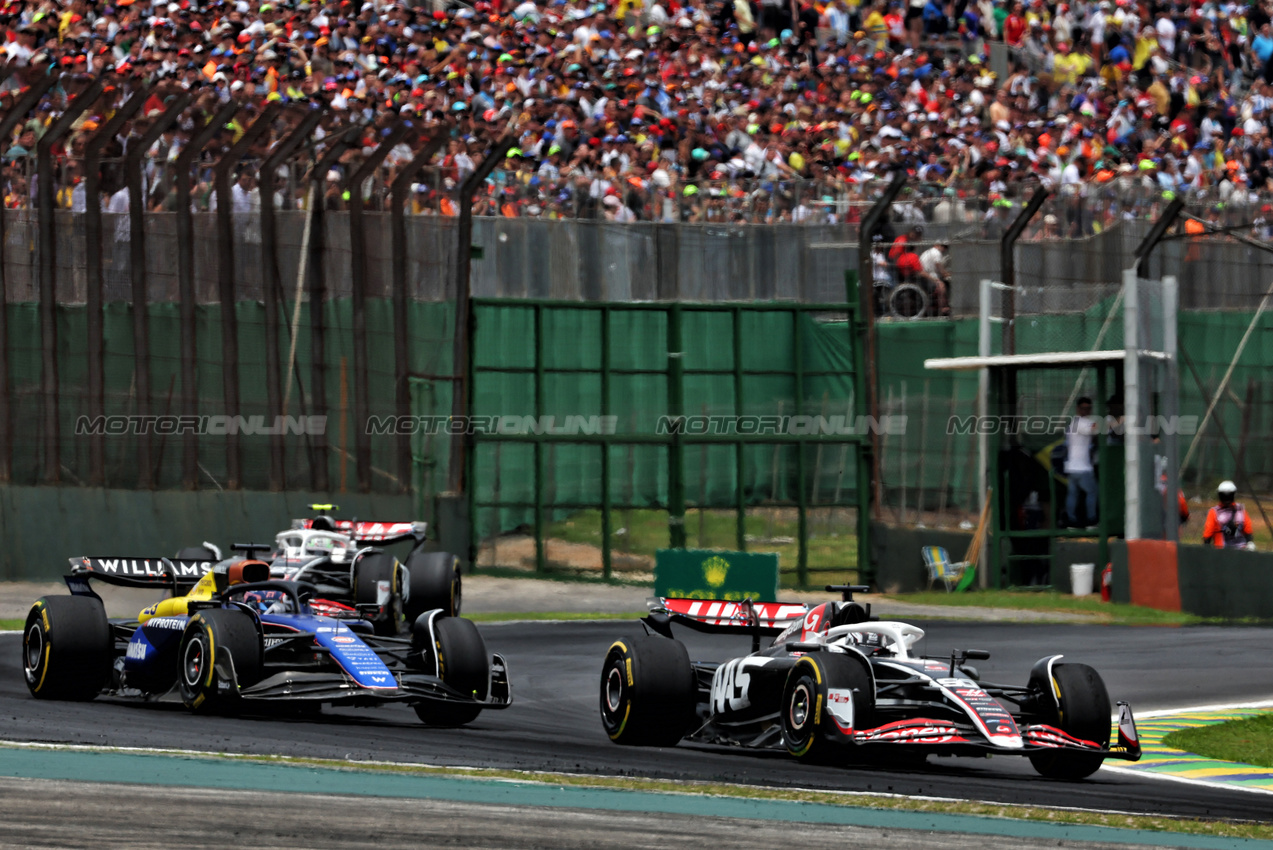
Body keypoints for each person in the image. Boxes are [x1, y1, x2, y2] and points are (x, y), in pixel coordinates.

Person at [1065, 397, 1099, 527]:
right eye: (1083, 408)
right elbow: (1095, 429)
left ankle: (1071, 522)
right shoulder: (1081, 422)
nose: (1086, 410)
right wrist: (1110, 420)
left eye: (1088, 408)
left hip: (1073, 467)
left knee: (1073, 494)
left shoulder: (1075, 421)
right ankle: (1091, 521)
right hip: (1082, 468)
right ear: (1078, 409)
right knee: (1092, 492)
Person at [1202, 481, 1255, 548]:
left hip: (1221, 551)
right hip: (1241, 550)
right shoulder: (1241, 510)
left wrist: (1206, 546)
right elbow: (1248, 530)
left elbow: (1208, 533)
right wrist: (1250, 542)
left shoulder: (1214, 512)